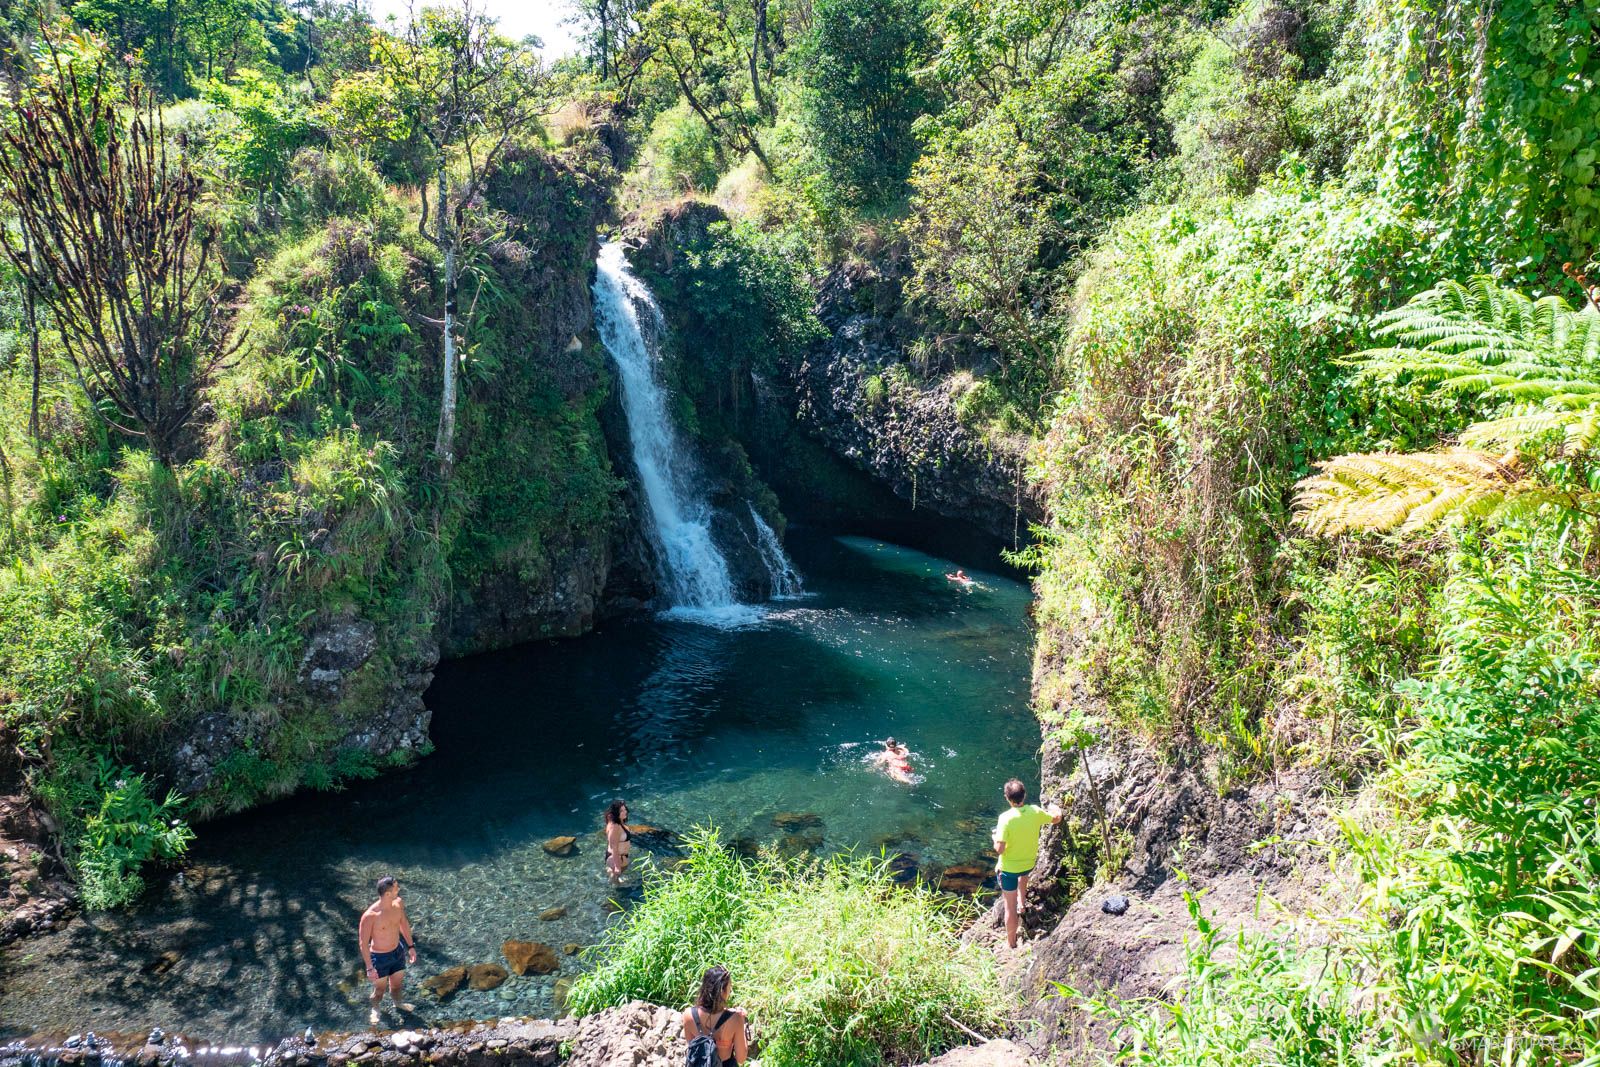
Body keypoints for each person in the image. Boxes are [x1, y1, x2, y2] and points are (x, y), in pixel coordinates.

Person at [991, 779, 1062, 949]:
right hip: (1029, 863)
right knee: (1023, 876)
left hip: (1008, 869)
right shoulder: (1035, 812)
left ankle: (1011, 943)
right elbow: (1056, 818)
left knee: (1009, 908)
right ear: (1025, 795)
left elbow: (999, 849)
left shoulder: (1005, 819)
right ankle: (1022, 904)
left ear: (1007, 798)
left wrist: (995, 838)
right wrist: (1055, 808)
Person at [358, 875, 417, 1025]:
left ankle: (398, 1004)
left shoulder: (398, 904)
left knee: (397, 986)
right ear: (388, 893)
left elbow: (403, 923)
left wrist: (411, 946)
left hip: (397, 952)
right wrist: (370, 968)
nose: (399, 889)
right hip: (379, 958)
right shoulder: (370, 916)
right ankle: (376, 1009)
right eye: (396, 887)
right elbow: (363, 944)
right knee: (379, 991)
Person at [680, 965, 749, 1066]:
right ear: (722, 992)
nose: (730, 991)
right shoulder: (735, 1019)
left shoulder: (688, 1015)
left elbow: (693, 1048)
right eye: (729, 988)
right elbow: (741, 1058)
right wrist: (742, 1023)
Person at [604, 799, 632, 885]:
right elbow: (614, 847)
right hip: (617, 857)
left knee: (615, 874)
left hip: (620, 856)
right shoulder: (615, 827)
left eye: (625, 809)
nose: (625, 812)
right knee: (615, 877)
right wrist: (617, 866)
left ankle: (611, 875)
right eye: (621, 811)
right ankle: (614, 893)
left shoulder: (617, 821)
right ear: (616, 813)